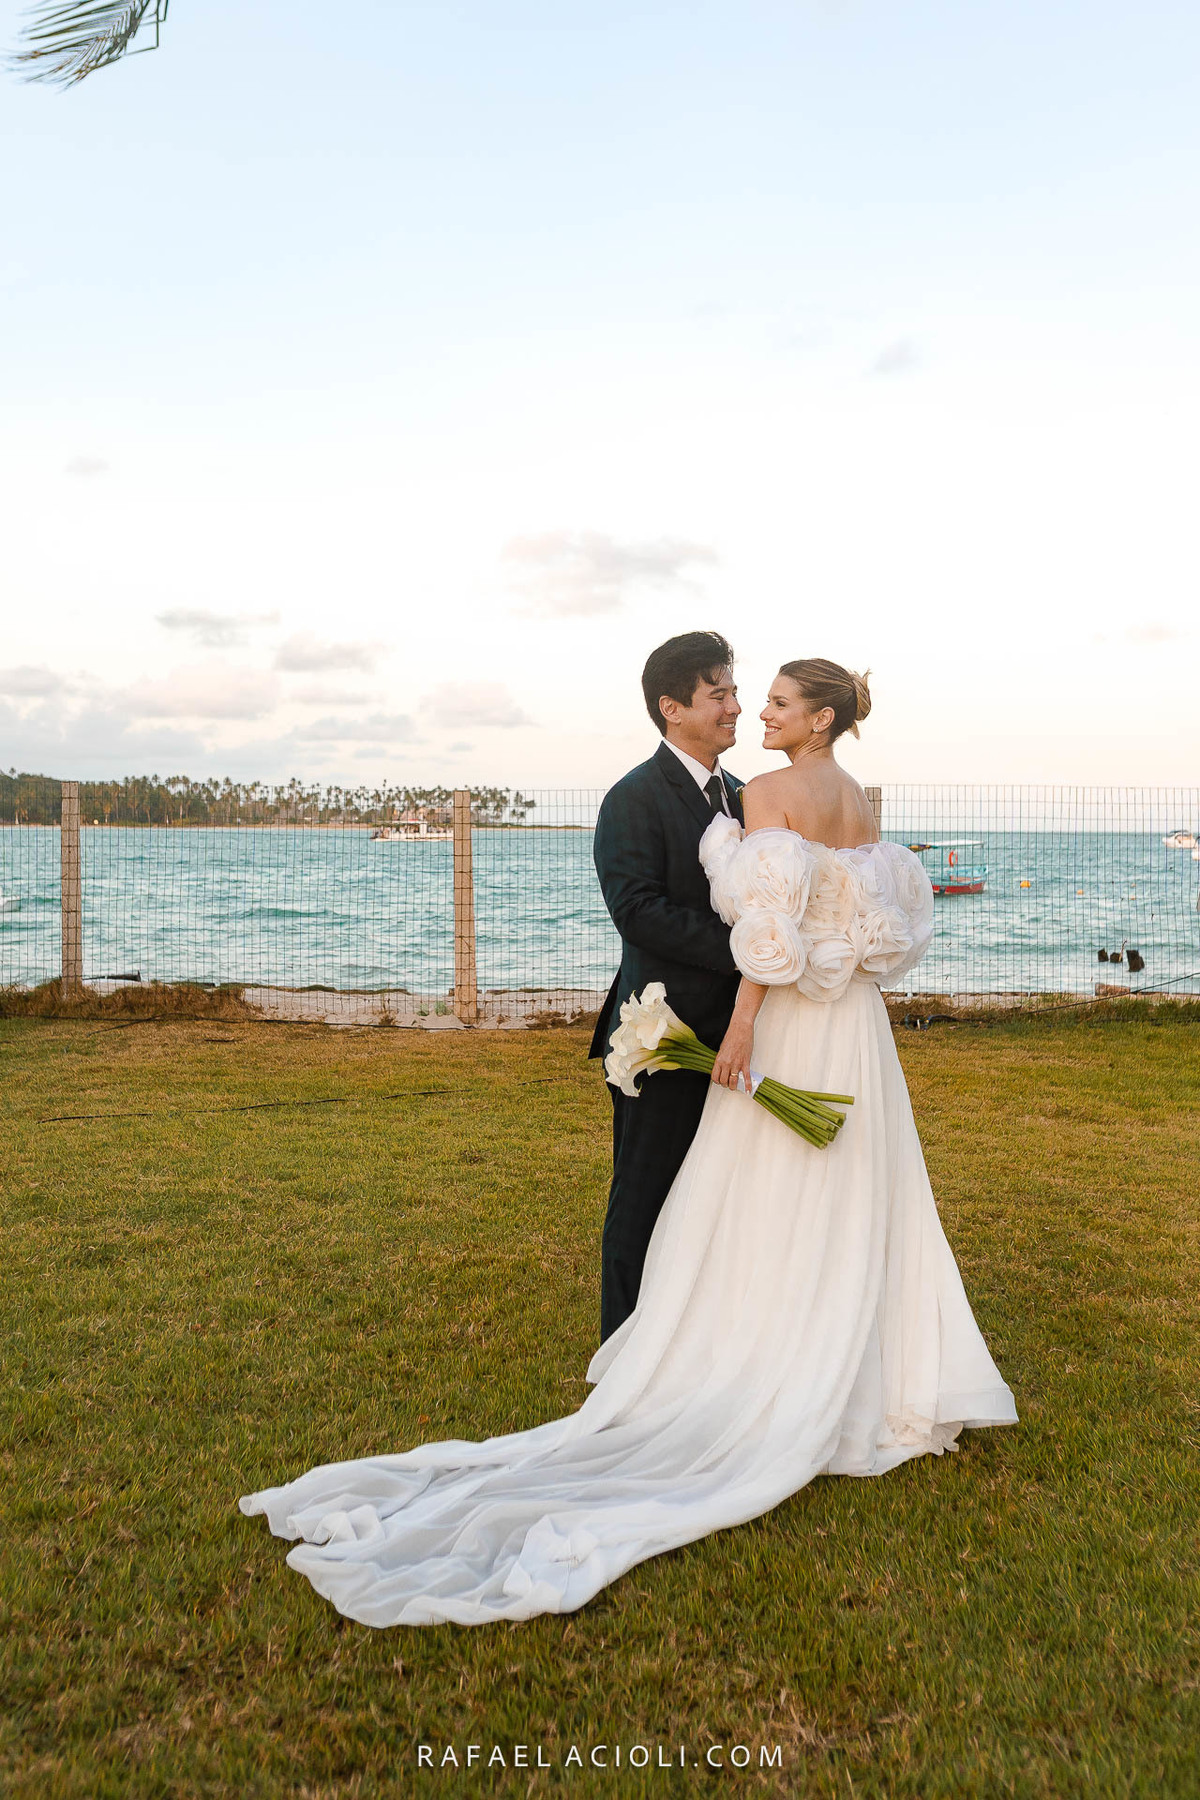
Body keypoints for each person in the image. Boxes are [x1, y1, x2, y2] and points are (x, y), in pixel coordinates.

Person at [240, 657, 1017, 1627]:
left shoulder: (763, 792)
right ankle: (773, 1358)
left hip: (778, 1022)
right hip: (839, 1026)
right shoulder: (826, 798)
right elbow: (844, 930)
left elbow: (770, 932)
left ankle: (740, 1363)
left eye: (772, 700)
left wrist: (744, 1021)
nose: (751, 709)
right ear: (672, 705)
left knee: (760, 1195)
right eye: (733, 694)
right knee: (812, 1192)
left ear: (818, 719)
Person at [589, 630, 745, 1341]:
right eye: (720, 695)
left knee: (721, 1200)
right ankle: (622, 1354)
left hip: (741, 1033)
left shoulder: (746, 797)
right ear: (672, 707)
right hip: (663, 1034)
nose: (735, 708)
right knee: (645, 1199)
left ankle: (697, 1344)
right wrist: (750, 952)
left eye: (734, 693)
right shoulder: (633, 798)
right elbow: (638, 911)